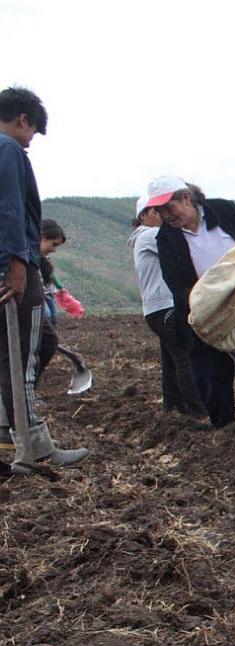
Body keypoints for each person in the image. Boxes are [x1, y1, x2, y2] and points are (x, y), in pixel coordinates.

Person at [144, 175, 235, 438]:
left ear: (186, 197)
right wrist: (207, 297)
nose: (166, 215)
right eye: (160, 211)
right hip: (203, 309)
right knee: (210, 370)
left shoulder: (222, 210)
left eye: (169, 207)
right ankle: (224, 427)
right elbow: (175, 282)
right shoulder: (166, 236)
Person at [0, 86, 89, 469]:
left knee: (11, 355)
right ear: (23, 120)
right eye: (33, 131)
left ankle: (7, 433)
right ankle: (34, 447)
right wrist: (17, 264)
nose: (30, 140)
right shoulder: (8, 149)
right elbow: (9, 210)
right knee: (24, 356)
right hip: (14, 268)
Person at [130, 197, 205, 416]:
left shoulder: (141, 238)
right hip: (165, 306)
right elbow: (186, 249)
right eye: (157, 212)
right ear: (144, 215)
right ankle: (199, 410)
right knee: (185, 357)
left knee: (172, 360)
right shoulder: (150, 235)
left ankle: (173, 407)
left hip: (156, 310)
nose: (163, 216)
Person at [33, 220, 88, 384]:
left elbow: (51, 277)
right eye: (53, 244)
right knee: (46, 329)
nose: (54, 249)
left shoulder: (42, 260)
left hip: (45, 296)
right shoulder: (27, 260)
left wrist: (61, 290)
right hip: (35, 301)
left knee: (51, 323)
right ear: (42, 237)